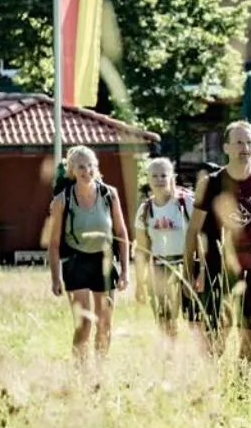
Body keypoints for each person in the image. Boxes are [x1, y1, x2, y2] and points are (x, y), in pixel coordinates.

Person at [183, 121, 251, 372]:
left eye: (249, 142)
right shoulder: (210, 184)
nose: (245, 148)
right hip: (216, 263)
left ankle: (248, 383)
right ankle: (209, 380)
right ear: (226, 147)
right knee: (217, 332)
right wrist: (189, 273)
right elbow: (193, 231)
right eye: (239, 142)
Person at [46, 145, 132, 366]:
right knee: (84, 323)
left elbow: (122, 234)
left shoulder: (109, 194)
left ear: (96, 167)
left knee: (104, 323)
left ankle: (100, 370)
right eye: (81, 167)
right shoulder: (62, 200)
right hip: (76, 263)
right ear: (72, 171)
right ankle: (80, 371)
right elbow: (54, 244)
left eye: (90, 165)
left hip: (103, 261)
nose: (87, 171)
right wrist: (55, 278)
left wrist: (125, 272)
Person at [133, 157, 192, 345]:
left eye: (163, 175)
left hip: (187, 266)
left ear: (172, 177)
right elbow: (142, 249)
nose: (159, 180)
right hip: (160, 267)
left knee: (194, 318)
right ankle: (169, 356)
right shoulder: (145, 210)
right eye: (154, 176)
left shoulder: (186, 203)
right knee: (165, 319)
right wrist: (140, 282)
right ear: (148, 179)